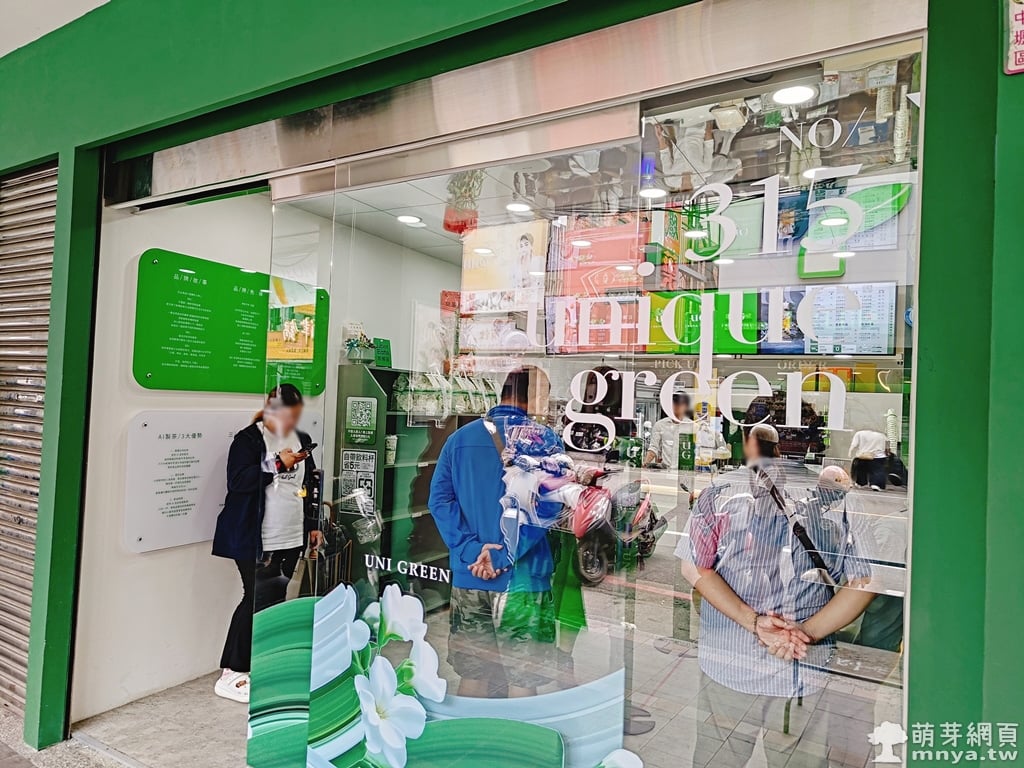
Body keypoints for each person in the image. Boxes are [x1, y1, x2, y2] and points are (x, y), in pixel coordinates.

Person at [676, 423, 876, 767]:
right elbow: (864, 581)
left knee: (718, 758)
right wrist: (803, 634)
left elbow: (695, 567)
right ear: (810, 444)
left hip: (729, 661)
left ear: (747, 443)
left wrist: (753, 623)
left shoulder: (720, 491)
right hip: (802, 666)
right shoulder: (836, 496)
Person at [429, 366, 563, 698]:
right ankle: (516, 735)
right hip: (523, 581)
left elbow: (440, 500)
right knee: (523, 681)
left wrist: (472, 551)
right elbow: (548, 506)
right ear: (533, 396)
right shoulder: (545, 441)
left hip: (470, 576)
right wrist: (504, 555)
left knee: (473, 676)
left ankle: (472, 732)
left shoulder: (459, 439)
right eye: (544, 395)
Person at [211, 384, 323, 703]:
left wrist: (313, 526)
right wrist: (276, 464)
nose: (288, 422)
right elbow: (238, 482)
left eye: (293, 416)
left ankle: (262, 663)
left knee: (276, 598)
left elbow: (307, 486)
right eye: (283, 415)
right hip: (257, 537)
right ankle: (232, 671)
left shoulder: (300, 439)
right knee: (255, 597)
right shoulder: (248, 440)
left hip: (291, 535)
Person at [643, 392, 693, 469]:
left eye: (680, 404)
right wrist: (645, 464)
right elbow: (653, 448)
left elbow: (697, 452)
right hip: (665, 470)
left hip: (685, 471)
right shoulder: (660, 425)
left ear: (686, 406)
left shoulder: (692, 426)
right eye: (674, 403)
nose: (677, 406)